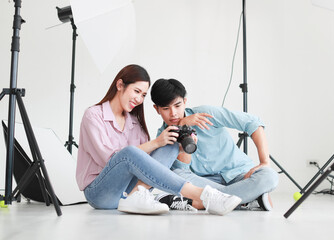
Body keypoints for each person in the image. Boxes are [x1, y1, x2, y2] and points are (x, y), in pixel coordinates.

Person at [75, 64, 242, 215]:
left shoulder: (134, 122)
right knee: (130, 152)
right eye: (136, 91)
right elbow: (112, 160)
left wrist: (177, 146)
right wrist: (156, 142)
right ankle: (203, 194)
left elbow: (146, 164)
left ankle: (135, 197)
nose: (139, 99)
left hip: (126, 192)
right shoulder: (94, 115)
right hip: (100, 193)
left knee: (170, 142)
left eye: (143, 95)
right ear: (120, 85)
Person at [150, 78, 279, 211]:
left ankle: (203, 203)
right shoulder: (163, 136)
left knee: (269, 176)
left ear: (185, 102)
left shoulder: (206, 113)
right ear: (157, 109)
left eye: (177, 105)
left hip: (240, 174)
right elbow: (183, 171)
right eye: (166, 108)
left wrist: (264, 162)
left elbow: (253, 123)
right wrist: (181, 128)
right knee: (176, 175)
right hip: (204, 184)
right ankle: (246, 199)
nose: (173, 113)